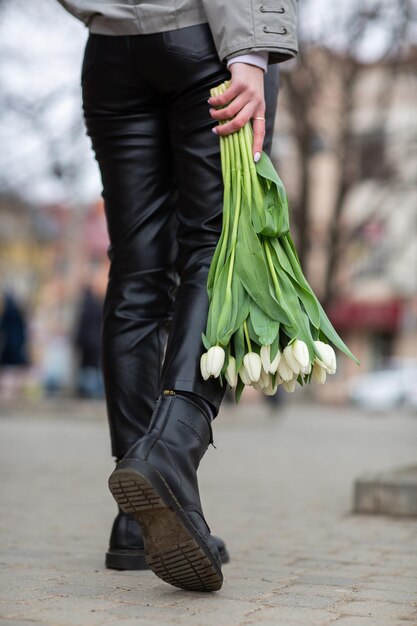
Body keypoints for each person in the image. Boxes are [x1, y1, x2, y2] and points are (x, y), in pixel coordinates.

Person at [56, 0, 298, 592]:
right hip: (205, 45)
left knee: (137, 272)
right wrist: (252, 49)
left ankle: (135, 522)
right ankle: (169, 453)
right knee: (215, 249)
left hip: (110, 54)